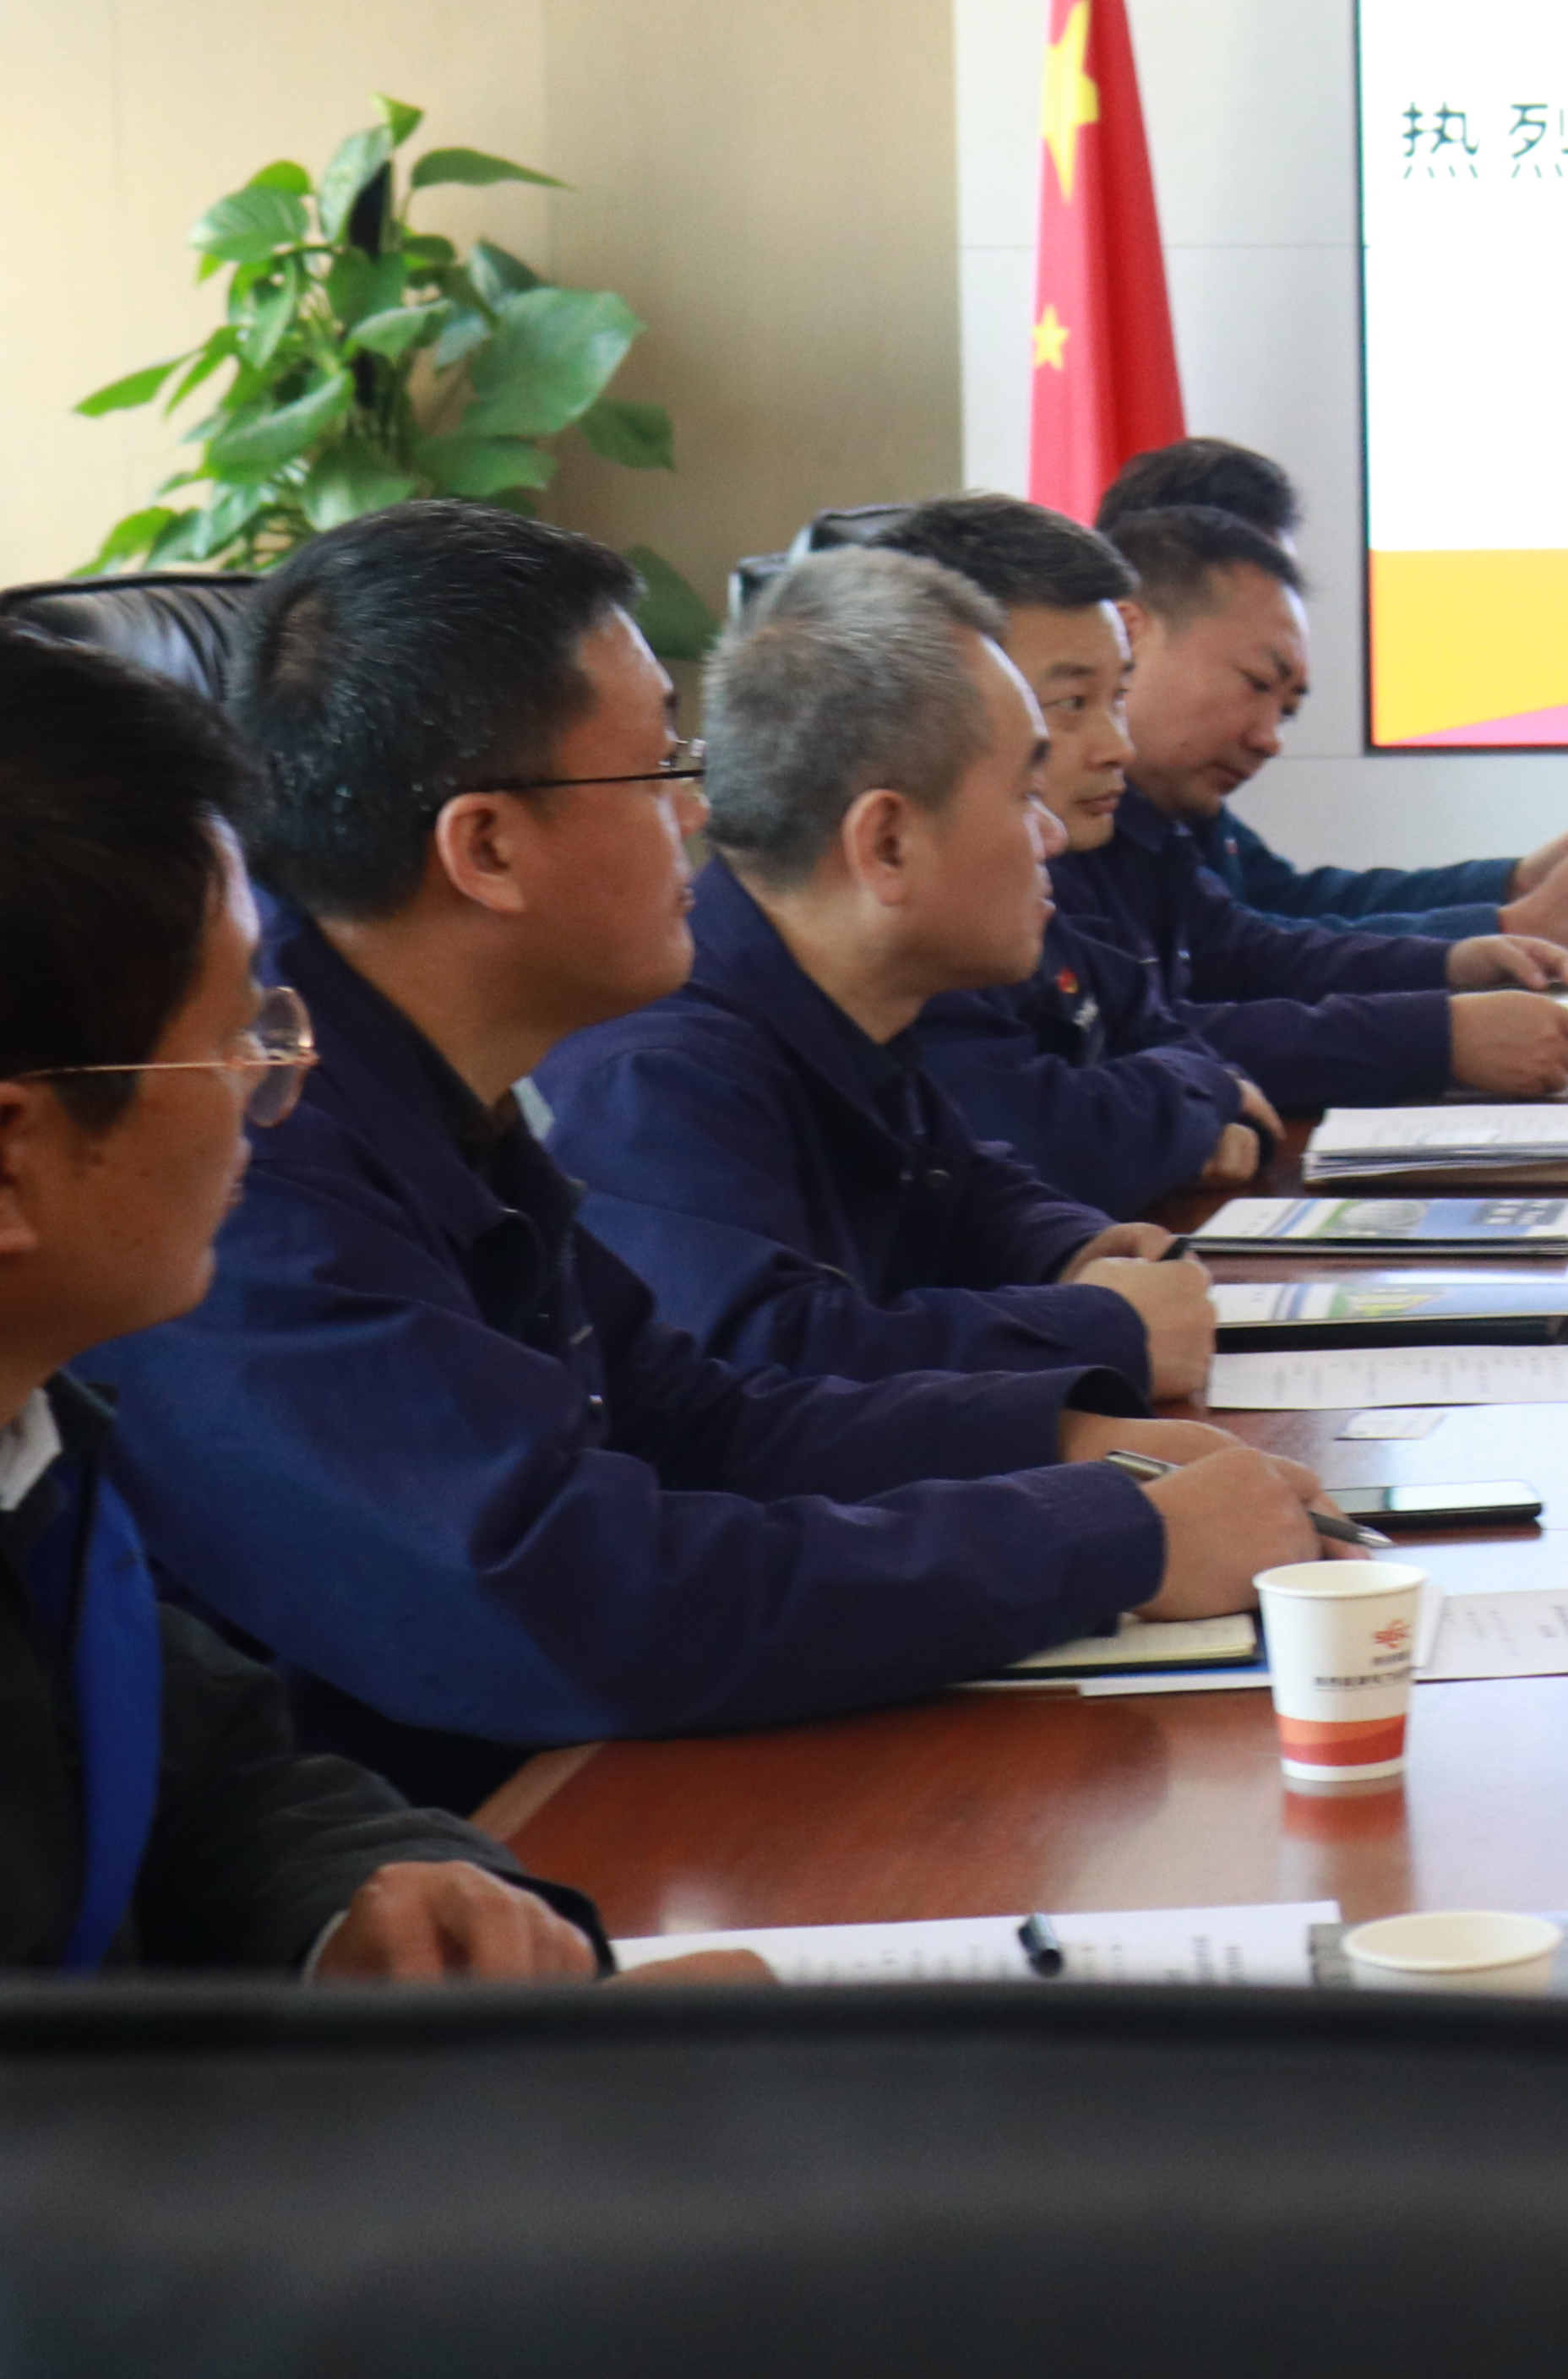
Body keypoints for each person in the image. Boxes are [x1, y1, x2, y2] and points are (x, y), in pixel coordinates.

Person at [83, 501, 1337, 1811]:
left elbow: (690, 1416)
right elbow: (567, 1595)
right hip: (439, 1864)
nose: (700, 816)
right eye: (657, 772)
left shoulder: (423, 1077)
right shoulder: (256, 1161)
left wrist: (1070, 1438)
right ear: (488, 848)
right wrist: (1103, 1540)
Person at [0, 607, 618, 1993]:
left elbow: (212, 1778)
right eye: (234, 1036)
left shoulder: (4, 1434)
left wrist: (359, 1898)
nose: (274, 1084)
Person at [532, 551, 1220, 1405]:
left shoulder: (839, 1001)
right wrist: (1104, 1327)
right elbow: (760, 1370)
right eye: (1021, 794)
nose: (1049, 835)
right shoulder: (659, 1075)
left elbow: (957, 1187)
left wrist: (1074, 1250)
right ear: (886, 844)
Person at [1072, 505, 1568, 1110]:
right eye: (1256, 683)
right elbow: (1129, 1043)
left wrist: (1454, 960)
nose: (1270, 739)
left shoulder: (1156, 824)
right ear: (1130, 633)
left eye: (1286, 710)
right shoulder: (1056, 831)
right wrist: (1434, 1035)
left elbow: (1250, 951)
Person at [874, 489, 1279, 1219]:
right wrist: (1202, 1104)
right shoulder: (913, 913)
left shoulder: (1028, 881)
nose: (1118, 747)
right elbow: (1045, 1139)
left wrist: (1187, 1098)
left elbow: (1163, 1030)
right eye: (1070, 706)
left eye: (1118, 697)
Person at [1097, 435, 1568, 955]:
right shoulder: (1084, 812)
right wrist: (1506, 930)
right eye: (1257, 682)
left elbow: (1287, 909)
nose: (1269, 739)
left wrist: (1515, 884)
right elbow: (1244, 965)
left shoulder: (1171, 800)